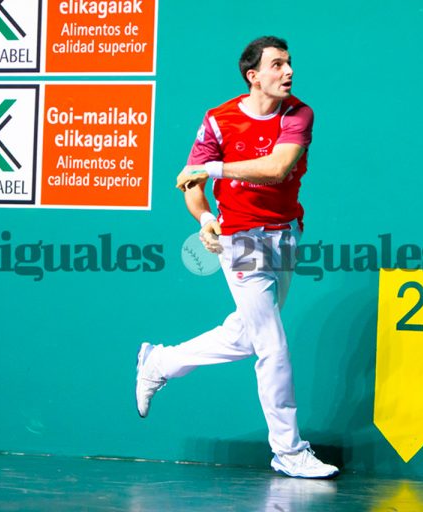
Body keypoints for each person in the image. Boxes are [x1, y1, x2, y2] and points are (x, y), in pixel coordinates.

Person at [135, 36, 339, 479]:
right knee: (271, 345)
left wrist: (211, 171)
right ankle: (289, 451)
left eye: (289, 63)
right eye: (278, 64)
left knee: (245, 337)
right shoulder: (219, 119)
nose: (288, 71)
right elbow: (191, 183)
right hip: (241, 240)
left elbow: (277, 168)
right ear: (254, 75)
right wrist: (205, 217)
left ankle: (160, 362)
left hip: (285, 235)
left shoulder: (298, 114)